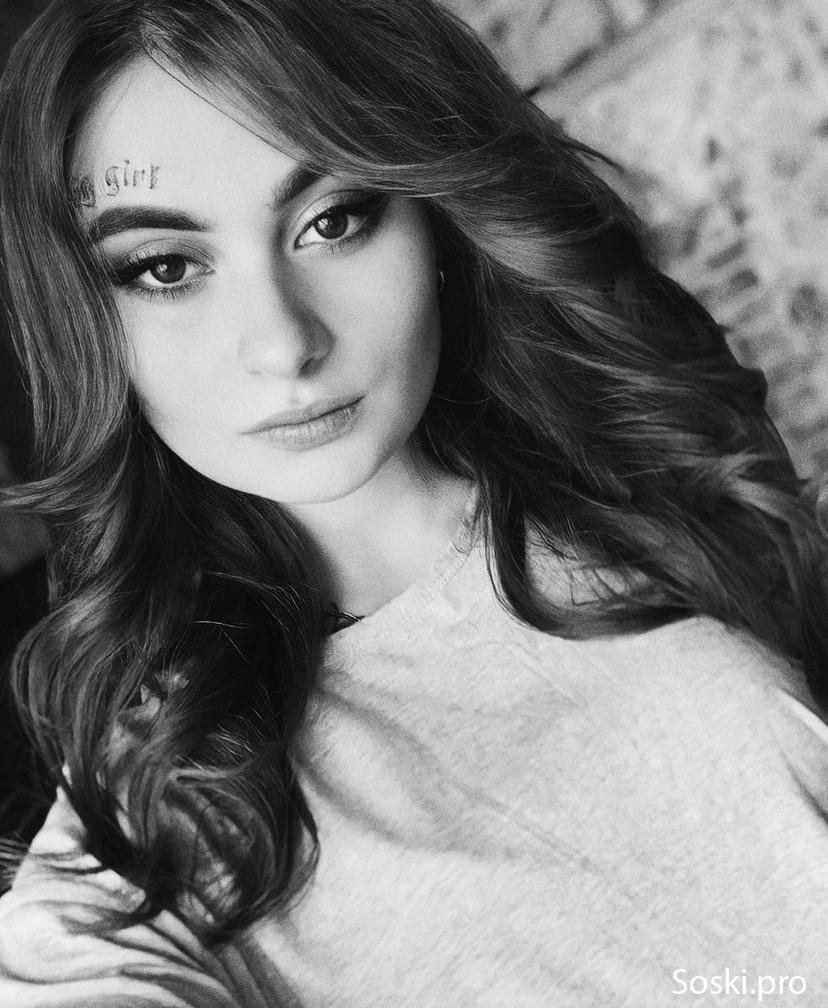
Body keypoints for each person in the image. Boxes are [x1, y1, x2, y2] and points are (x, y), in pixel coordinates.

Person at [0, 0, 826, 1004]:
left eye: (333, 221)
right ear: (81, 323)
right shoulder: (161, 821)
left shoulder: (655, 492)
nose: (285, 343)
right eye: (166, 268)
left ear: (435, 213)